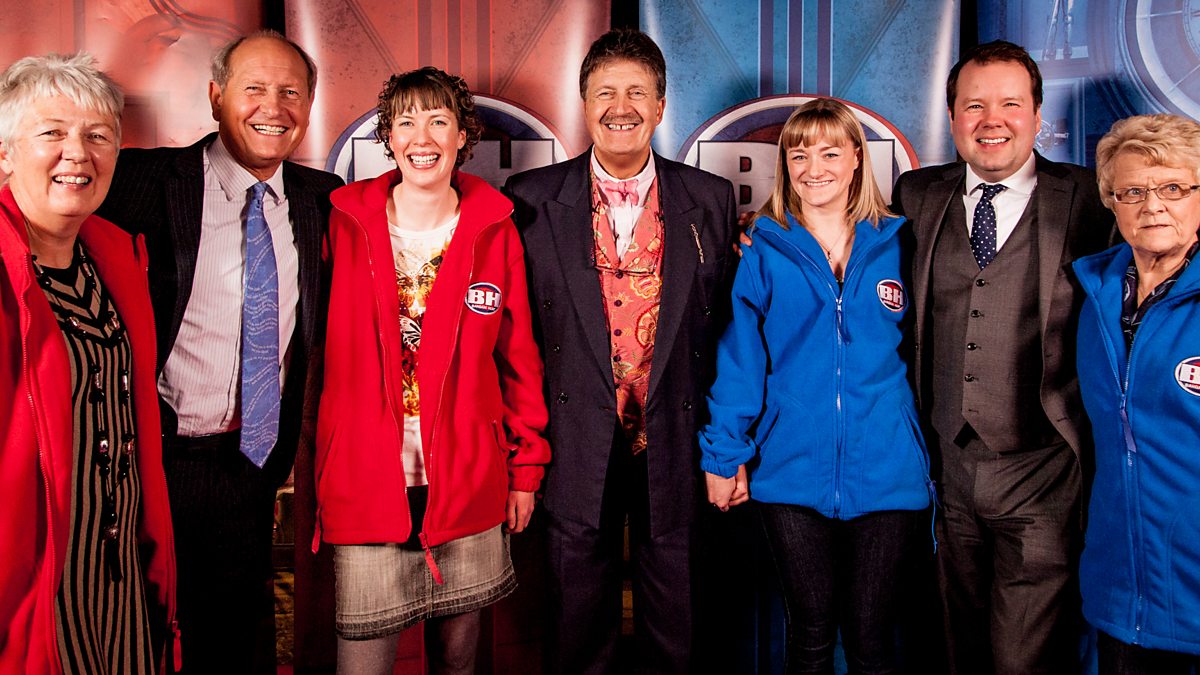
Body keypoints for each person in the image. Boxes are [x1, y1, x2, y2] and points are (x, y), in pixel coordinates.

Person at [96, 31, 343, 673]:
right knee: (137, 627)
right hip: (149, 457)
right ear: (215, 97)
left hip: (251, 460)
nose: (274, 107)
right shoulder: (139, 181)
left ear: (310, 106)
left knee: (234, 630)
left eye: (291, 92)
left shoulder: (325, 199)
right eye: (254, 89)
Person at [504, 28, 739, 674]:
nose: (621, 105)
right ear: (583, 104)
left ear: (662, 106)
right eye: (605, 92)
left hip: (677, 441)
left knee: (680, 630)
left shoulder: (709, 200)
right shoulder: (529, 203)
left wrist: (725, 444)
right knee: (576, 629)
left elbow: (726, 332)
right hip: (573, 440)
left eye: (637, 91)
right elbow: (514, 339)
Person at [314, 66, 550, 675]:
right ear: (388, 137)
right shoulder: (340, 222)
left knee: (461, 666)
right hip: (365, 479)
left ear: (462, 135)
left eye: (439, 120)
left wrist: (525, 468)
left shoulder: (496, 229)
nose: (423, 136)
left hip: (470, 481)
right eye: (407, 121)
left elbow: (519, 360)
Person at [891, 40, 1113, 674]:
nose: (992, 120)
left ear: (1038, 116)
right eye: (974, 105)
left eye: (1011, 105)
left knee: (1024, 657)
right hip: (947, 472)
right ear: (953, 116)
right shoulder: (917, 195)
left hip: (1044, 470)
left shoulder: (1093, 199)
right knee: (954, 644)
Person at [700, 97, 932, 674]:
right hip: (789, 470)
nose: (813, 167)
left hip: (888, 471)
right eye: (798, 153)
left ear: (857, 158)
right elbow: (741, 359)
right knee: (808, 634)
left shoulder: (900, 243)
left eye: (830, 151)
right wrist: (724, 453)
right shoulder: (763, 248)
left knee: (873, 638)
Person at [0, 53, 177, 674]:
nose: (78, 152)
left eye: (98, 136)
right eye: (51, 133)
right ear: (3, 155)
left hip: (121, 574)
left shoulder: (117, 260)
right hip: (29, 589)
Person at [1072, 113, 1200, 675]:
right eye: (1133, 191)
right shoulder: (1093, 293)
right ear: (1112, 201)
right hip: (1122, 590)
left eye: (1173, 187)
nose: (1153, 205)